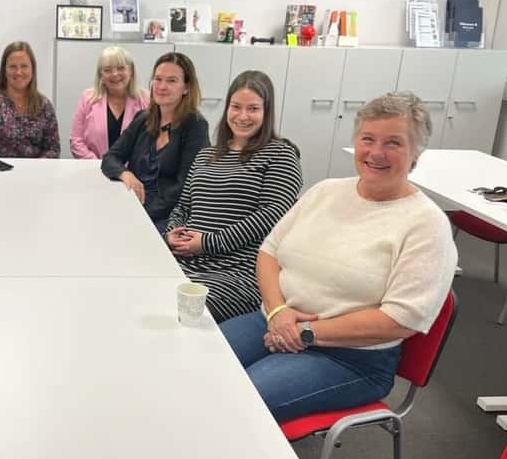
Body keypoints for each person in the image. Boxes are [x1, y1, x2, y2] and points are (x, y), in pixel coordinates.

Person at [219, 92, 457, 422]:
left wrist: (304, 332)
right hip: (273, 320)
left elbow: (400, 321)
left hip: (348, 357)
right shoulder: (326, 191)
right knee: (195, 362)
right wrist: (277, 312)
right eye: (368, 139)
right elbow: (269, 252)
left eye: (393, 143)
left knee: (236, 402)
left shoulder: (426, 224)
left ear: (416, 152)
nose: (376, 152)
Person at [165, 71, 302, 322]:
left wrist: (208, 243)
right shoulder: (206, 155)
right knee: (139, 296)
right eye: (236, 106)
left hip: (236, 275)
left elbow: (271, 216)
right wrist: (172, 233)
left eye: (253, 109)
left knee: (180, 314)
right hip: (183, 262)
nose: (242, 116)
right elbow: (183, 205)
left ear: (267, 112)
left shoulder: (281, 155)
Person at [101, 51, 210, 233]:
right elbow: (110, 158)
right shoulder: (143, 118)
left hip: (168, 215)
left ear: (186, 87)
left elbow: (184, 187)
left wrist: (142, 215)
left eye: (171, 81)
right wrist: (125, 173)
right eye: (158, 79)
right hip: (134, 204)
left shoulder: (196, 126)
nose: (162, 86)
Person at [0, 41, 60, 158]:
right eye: (12, 67)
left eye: (24, 66)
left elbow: (53, 149)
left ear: (32, 69)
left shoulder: (44, 105)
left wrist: (37, 166)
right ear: (4, 70)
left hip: (36, 169)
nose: (18, 72)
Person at [70, 46, 149, 159]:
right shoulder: (87, 98)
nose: (115, 74)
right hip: (94, 166)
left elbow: (152, 142)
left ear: (131, 71)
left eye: (121, 68)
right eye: (107, 70)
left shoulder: (146, 100)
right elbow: (76, 140)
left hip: (133, 169)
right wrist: (98, 164)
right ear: (101, 74)